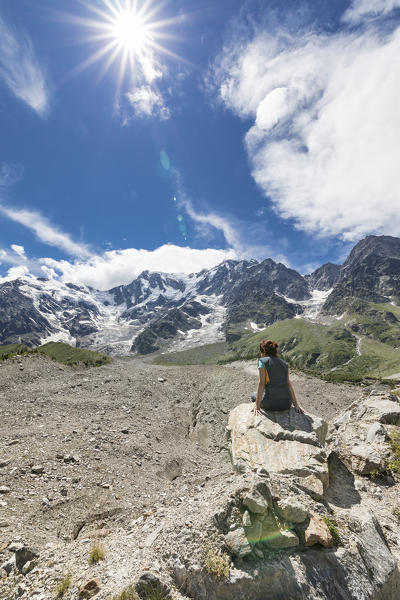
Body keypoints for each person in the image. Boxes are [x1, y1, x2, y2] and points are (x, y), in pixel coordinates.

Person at [251, 339, 304, 416]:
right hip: (286, 404)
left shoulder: (262, 361)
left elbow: (261, 384)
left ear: (263, 351)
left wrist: (257, 405)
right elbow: (289, 385)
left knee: (253, 395)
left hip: (271, 403)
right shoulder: (285, 364)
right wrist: (296, 404)